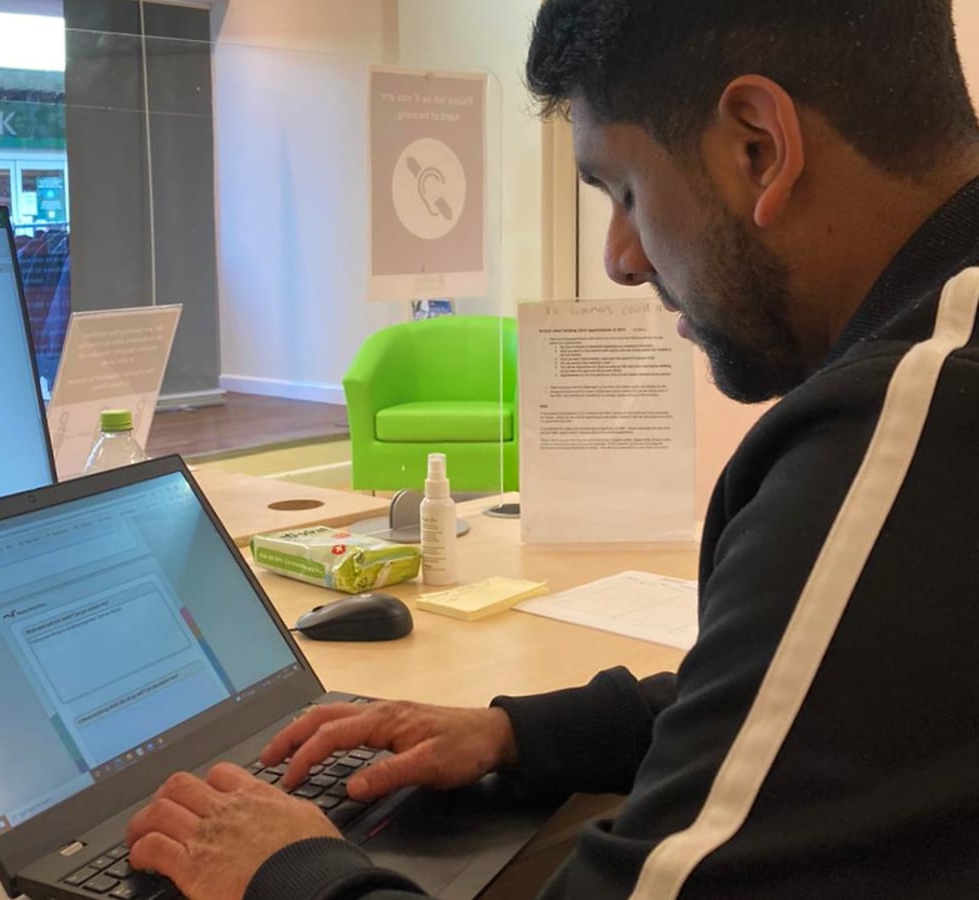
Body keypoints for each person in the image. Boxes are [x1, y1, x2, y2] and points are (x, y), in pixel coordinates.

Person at [125, 1, 979, 896]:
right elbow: (815, 706)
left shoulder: (912, 428)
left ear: (757, 146)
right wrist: (518, 735)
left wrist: (289, 872)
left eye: (624, 192)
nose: (620, 258)